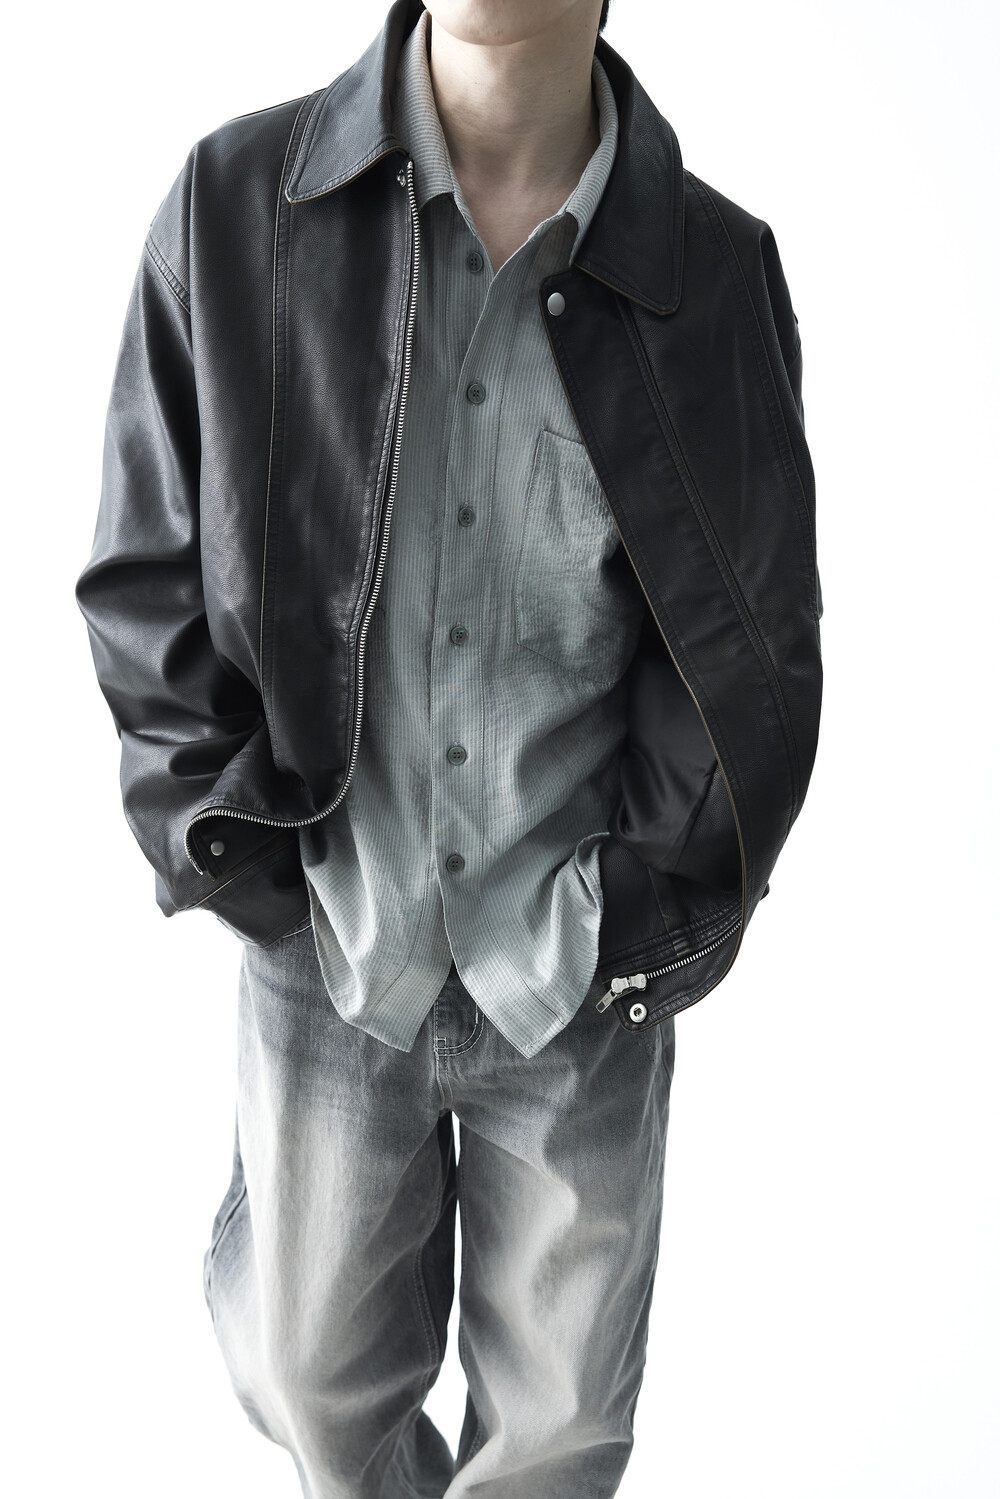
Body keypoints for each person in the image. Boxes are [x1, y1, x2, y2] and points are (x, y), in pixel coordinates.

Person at [75, 0, 823, 1493]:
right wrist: (243, 854)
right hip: (337, 928)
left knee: (561, 1429)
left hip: (576, 960)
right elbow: (146, 571)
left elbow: (755, 632)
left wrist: (643, 899)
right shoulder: (238, 208)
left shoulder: (711, 270)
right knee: (306, 1376)